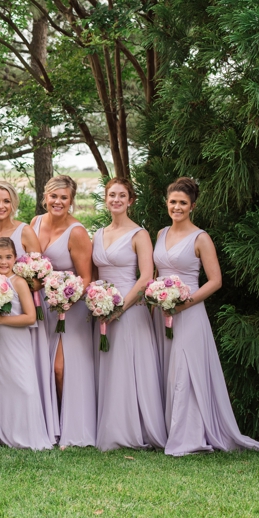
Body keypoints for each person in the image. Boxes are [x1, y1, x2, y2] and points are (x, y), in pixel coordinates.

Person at [153, 177, 259, 456]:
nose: (177, 207)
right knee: (167, 370)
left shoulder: (201, 238)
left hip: (188, 314)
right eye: (173, 202)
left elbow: (215, 281)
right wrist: (156, 297)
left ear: (193, 206)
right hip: (161, 313)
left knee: (184, 372)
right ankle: (167, 431)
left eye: (183, 203)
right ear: (166, 203)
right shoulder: (161, 233)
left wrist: (183, 303)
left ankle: (188, 437)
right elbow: (157, 273)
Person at [93, 178, 166, 451]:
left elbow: (146, 277)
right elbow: (97, 274)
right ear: (106, 198)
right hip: (102, 310)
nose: (116, 200)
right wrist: (98, 304)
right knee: (110, 368)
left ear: (130, 200)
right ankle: (112, 426)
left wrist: (118, 308)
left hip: (129, 309)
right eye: (112, 195)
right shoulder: (98, 234)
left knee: (129, 368)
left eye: (122, 195)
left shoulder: (139, 235)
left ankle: (135, 430)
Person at [0, 180, 57, 440]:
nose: (1, 206)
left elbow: (40, 274)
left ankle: (34, 427)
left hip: (23, 310)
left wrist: (16, 291)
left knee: (26, 373)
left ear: (14, 203)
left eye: (6, 201)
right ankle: (6, 427)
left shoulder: (25, 231)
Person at [31, 175, 95, 448]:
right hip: (41, 304)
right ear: (45, 197)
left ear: (71, 201)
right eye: (53, 196)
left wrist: (65, 299)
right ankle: (50, 425)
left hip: (70, 306)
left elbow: (86, 278)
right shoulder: (34, 223)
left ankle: (72, 425)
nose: (58, 202)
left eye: (64, 197)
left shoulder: (77, 232)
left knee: (62, 368)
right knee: (43, 366)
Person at [0, 238, 53, 450]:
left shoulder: (19, 282)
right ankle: (8, 433)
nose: (3, 262)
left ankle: (30, 434)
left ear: (15, 258)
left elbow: (30, 317)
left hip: (17, 338)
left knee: (25, 385)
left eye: (8, 257)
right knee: (4, 384)